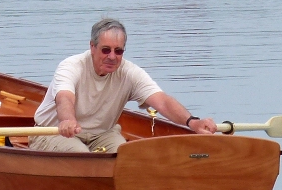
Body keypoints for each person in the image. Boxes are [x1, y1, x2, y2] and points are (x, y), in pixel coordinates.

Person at [30, 18, 218, 154]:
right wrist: (67, 120)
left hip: (102, 135)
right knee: (82, 157)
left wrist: (193, 122)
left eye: (118, 51)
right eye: (106, 50)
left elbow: (162, 101)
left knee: (129, 158)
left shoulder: (129, 72)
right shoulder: (71, 66)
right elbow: (65, 98)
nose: (112, 56)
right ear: (92, 47)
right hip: (54, 132)